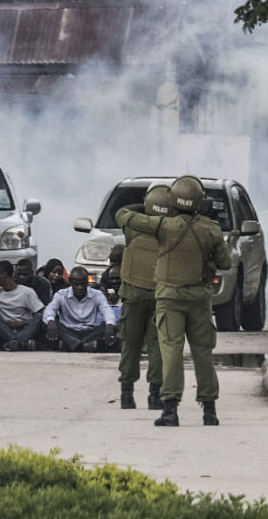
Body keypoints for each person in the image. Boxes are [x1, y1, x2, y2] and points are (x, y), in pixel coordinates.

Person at [116, 175, 231, 427]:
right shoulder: (211, 229)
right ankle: (209, 411)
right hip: (199, 300)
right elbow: (225, 263)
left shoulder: (163, 226)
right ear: (200, 201)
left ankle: (170, 409)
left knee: (171, 352)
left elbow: (123, 217)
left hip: (169, 298)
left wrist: (145, 207)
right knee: (203, 353)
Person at [116, 183, 172, 410]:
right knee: (157, 346)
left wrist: (147, 206)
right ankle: (155, 395)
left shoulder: (134, 228)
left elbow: (121, 212)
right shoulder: (172, 229)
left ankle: (126, 394)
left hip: (133, 294)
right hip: (161, 295)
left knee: (131, 345)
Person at [43, 266, 116, 353]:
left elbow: (107, 310)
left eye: (83, 284)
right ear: (70, 281)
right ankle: (82, 346)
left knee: (110, 326)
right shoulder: (61, 294)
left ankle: (72, 345)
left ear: (87, 282)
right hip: (68, 331)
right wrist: (51, 321)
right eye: (76, 284)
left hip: (90, 332)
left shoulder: (97, 295)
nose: (80, 287)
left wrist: (110, 325)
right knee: (49, 323)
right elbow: (50, 309)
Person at [0, 260, 45, 351]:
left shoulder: (26, 292)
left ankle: (15, 342)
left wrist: (21, 323)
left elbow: (41, 313)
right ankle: (20, 343)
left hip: (23, 329)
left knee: (39, 317)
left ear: (4, 274)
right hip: (5, 329)